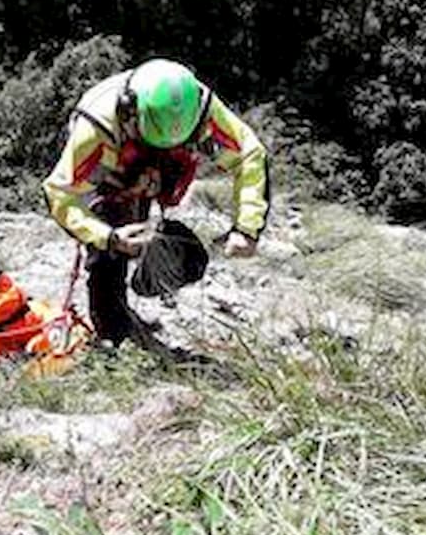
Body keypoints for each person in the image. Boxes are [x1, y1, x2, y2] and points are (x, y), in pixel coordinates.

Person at [42, 58, 270, 345]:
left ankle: (136, 286)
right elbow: (59, 192)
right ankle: (113, 334)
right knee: (108, 250)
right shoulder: (97, 127)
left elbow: (249, 154)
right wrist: (107, 237)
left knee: (148, 233)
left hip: (153, 158)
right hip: (112, 162)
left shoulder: (200, 109)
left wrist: (246, 228)